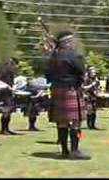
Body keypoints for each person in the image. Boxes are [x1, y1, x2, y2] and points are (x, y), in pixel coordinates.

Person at [45, 31, 91, 160]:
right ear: (66, 42)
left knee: (62, 122)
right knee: (76, 122)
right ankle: (75, 150)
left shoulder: (53, 56)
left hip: (57, 89)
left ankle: (64, 151)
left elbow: (47, 75)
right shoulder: (73, 55)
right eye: (71, 41)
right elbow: (81, 71)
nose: (72, 43)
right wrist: (80, 82)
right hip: (71, 89)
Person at [0, 57, 18, 135]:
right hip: (5, 91)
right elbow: (1, 81)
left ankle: (6, 128)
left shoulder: (9, 70)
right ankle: (3, 129)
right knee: (6, 110)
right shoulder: (6, 70)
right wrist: (10, 87)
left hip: (9, 91)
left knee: (8, 111)